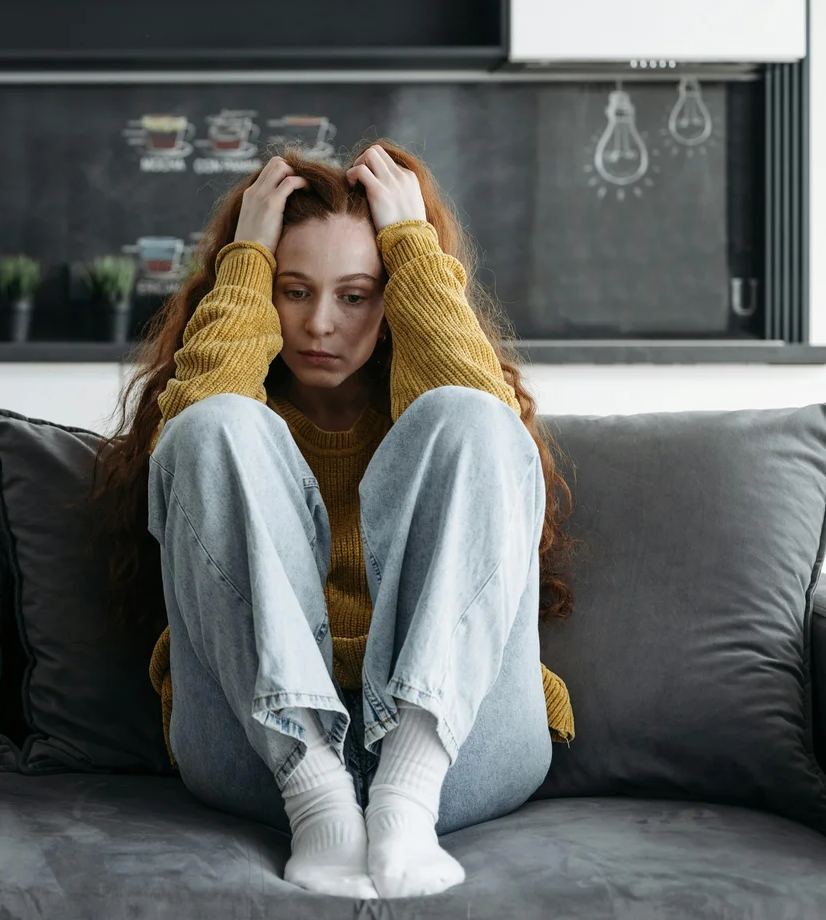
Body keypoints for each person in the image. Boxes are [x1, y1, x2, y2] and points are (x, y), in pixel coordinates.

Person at [92, 140, 576, 900]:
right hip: (261, 752)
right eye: (292, 290)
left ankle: (406, 796)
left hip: (457, 748)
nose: (320, 323)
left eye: (355, 296)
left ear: (392, 300)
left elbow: (492, 436)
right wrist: (245, 252)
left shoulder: (426, 401)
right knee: (215, 426)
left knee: (467, 415)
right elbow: (192, 433)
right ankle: (316, 792)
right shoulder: (241, 419)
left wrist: (412, 251)